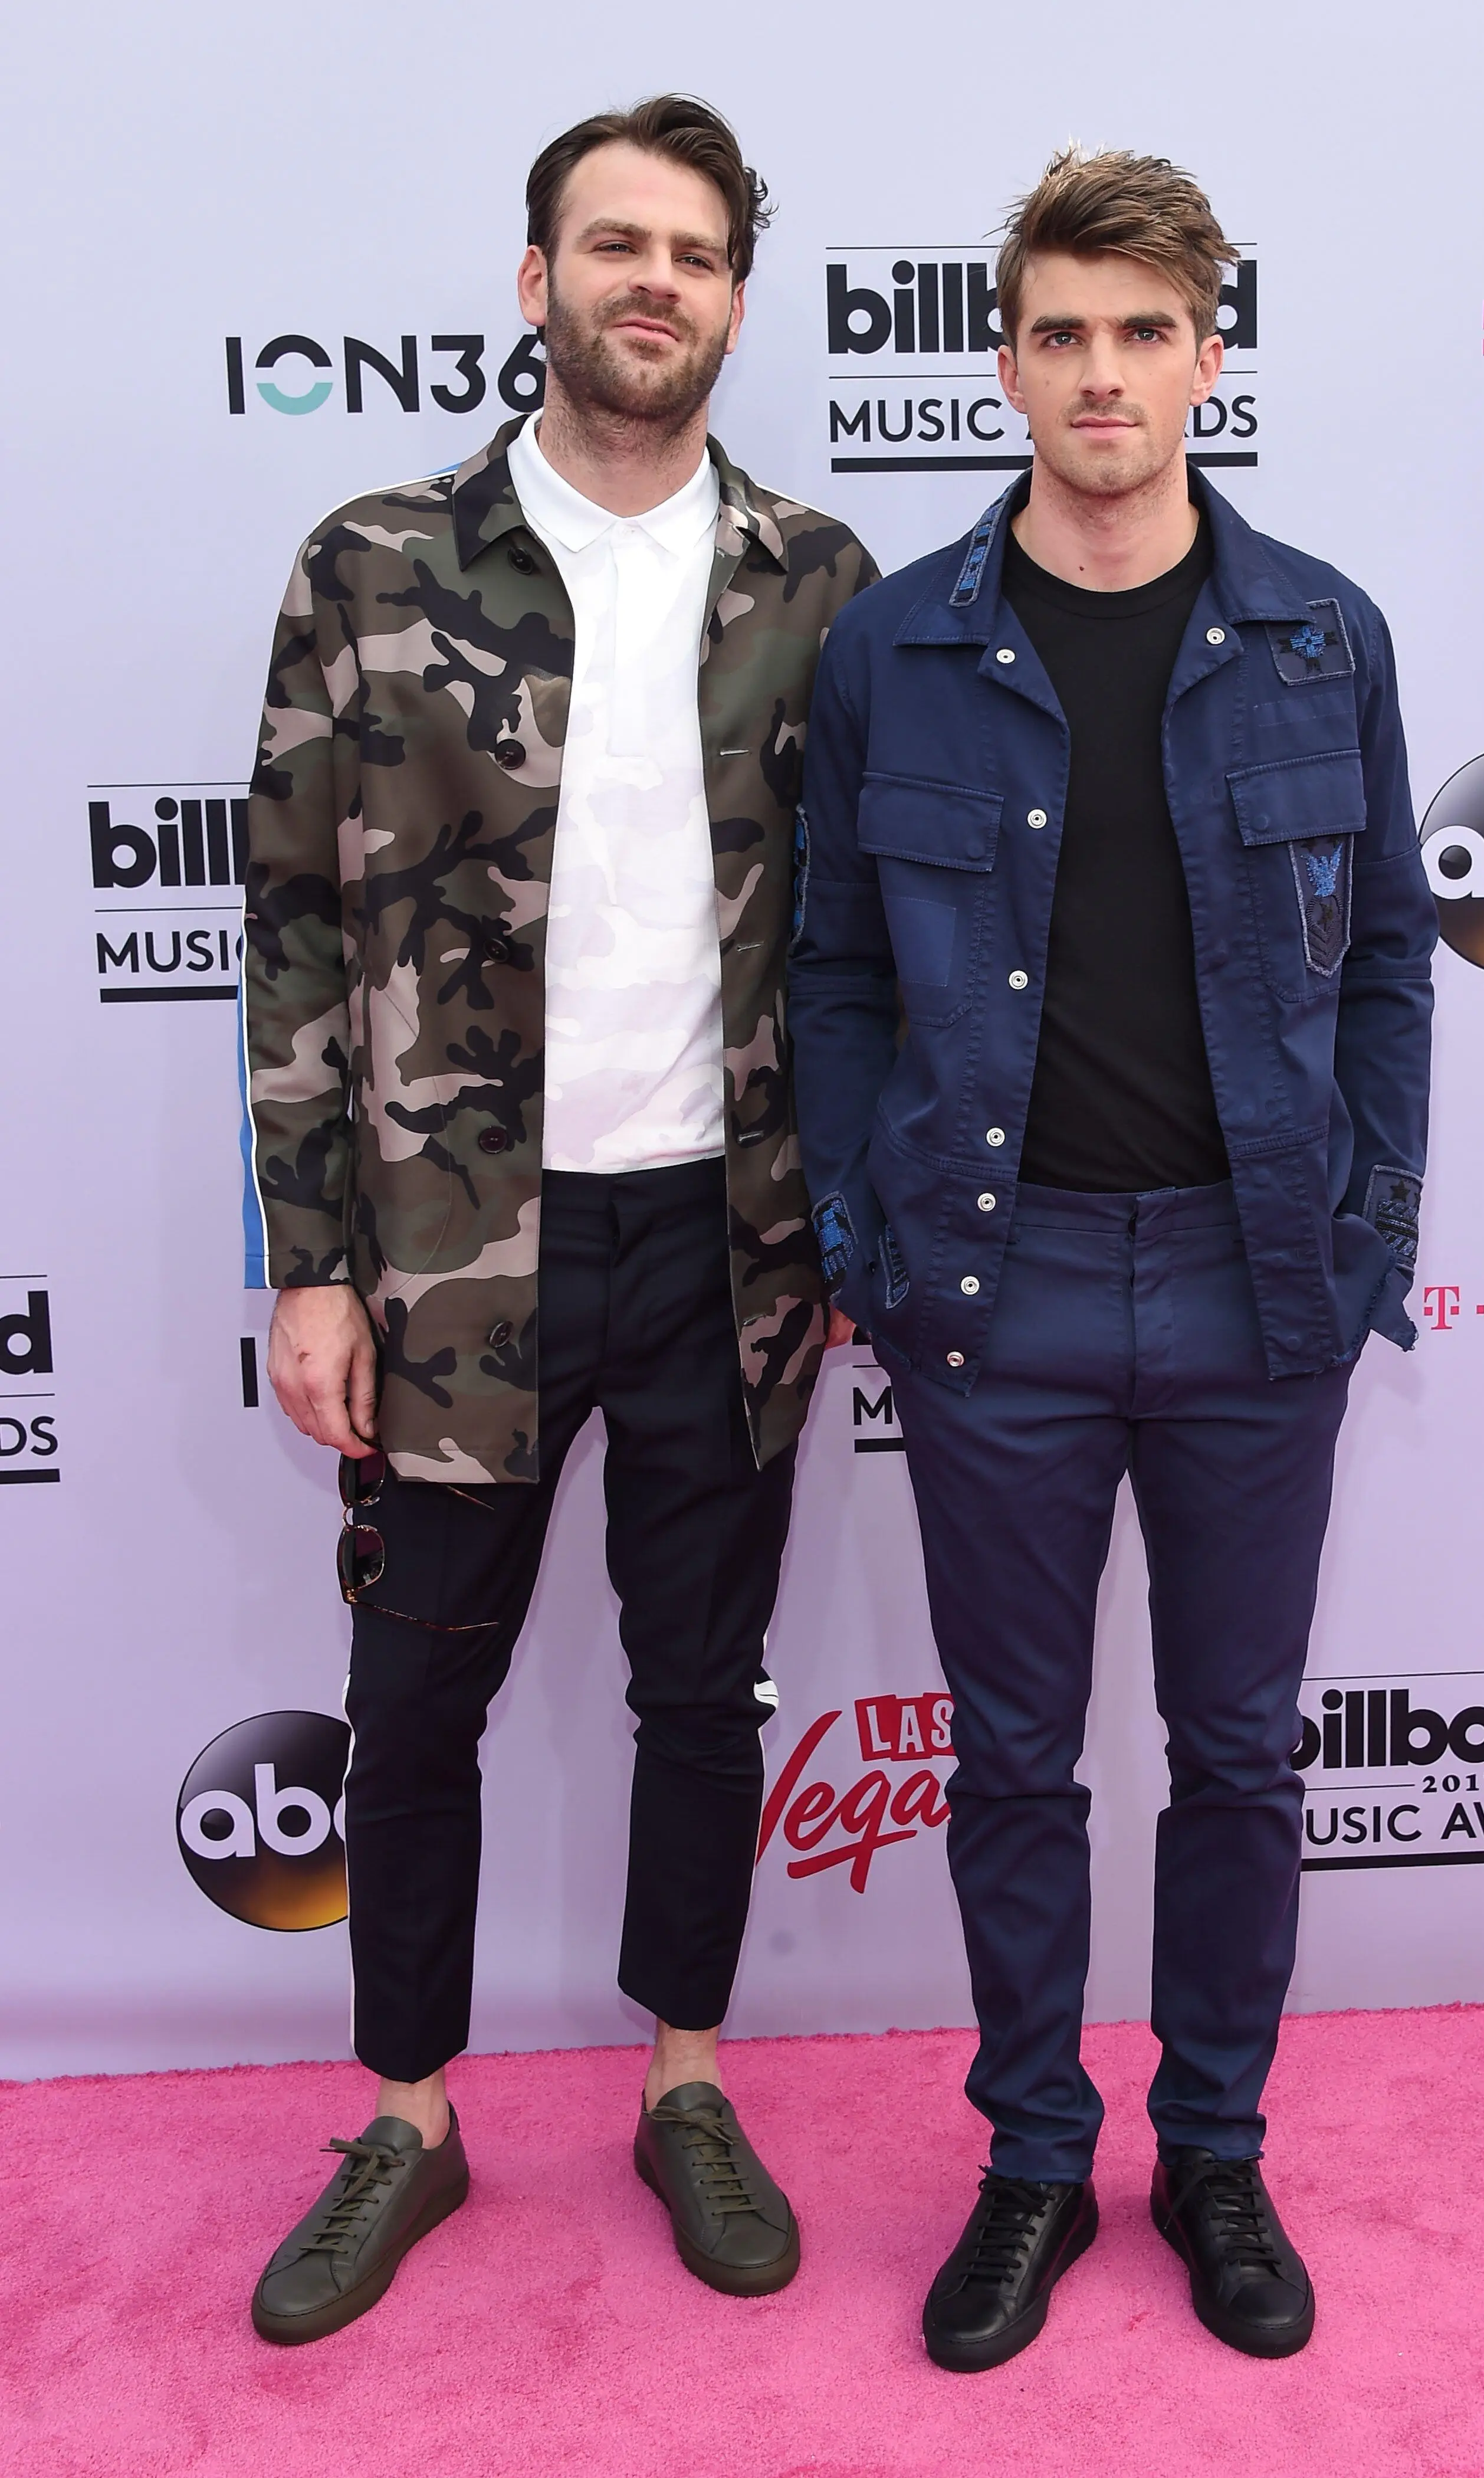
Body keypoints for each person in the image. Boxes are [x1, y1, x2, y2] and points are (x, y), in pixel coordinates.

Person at [790, 146, 1434, 2371]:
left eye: (1142, 333)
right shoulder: (899, 647)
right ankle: (1037, 2163)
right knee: (1017, 1762)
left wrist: (1366, 1236)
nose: (1100, 374)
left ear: (1207, 359)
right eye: (1059, 331)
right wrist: (873, 1238)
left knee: (1243, 1756)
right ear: (1004, 357)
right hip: (1000, 1292)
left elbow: (1393, 980)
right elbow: (840, 971)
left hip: (1264, 1286)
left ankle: (1222, 2154)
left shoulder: (1323, 632)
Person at [243, 94, 874, 2345]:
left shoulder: (821, 584)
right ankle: (406, 2121)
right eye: (616, 243)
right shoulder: (372, 562)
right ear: (539, 283)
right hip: (444, 1261)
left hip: (731, 1246)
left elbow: (873, 945)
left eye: (696, 253)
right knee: (411, 1719)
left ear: (730, 300)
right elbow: (297, 936)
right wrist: (310, 1262)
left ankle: (685, 2086)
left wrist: (870, 1233)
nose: (654, 283)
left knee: (703, 1698)